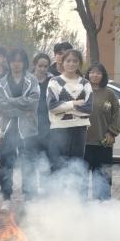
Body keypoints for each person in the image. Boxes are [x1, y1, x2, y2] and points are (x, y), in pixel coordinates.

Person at [0, 48, 41, 202]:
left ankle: (28, 197)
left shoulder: (32, 80)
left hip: (27, 129)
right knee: (6, 163)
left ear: (25, 63)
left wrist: (12, 102)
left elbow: (33, 102)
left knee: (28, 163)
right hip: (6, 129)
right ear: (9, 62)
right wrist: (21, 107)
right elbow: (0, 104)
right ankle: (6, 197)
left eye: (20, 61)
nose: (16, 64)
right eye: (13, 61)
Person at [46, 49, 92, 179]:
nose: (71, 64)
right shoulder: (54, 82)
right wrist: (74, 104)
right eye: (68, 61)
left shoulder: (85, 83)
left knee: (77, 165)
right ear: (62, 62)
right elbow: (52, 106)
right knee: (58, 165)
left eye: (75, 61)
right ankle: (58, 197)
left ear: (79, 64)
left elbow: (88, 108)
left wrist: (63, 107)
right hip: (59, 128)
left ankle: (76, 198)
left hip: (80, 128)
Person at [84, 63, 120, 201]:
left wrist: (112, 132)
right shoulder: (82, 91)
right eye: (92, 72)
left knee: (103, 177)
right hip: (83, 142)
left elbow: (116, 115)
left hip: (103, 142)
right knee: (80, 177)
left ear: (103, 76)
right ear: (87, 74)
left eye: (98, 73)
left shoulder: (109, 94)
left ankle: (103, 206)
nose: (95, 75)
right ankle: (79, 207)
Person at [31, 52, 55, 190]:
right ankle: (32, 191)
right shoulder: (28, 80)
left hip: (48, 126)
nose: (42, 69)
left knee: (46, 161)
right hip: (30, 126)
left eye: (45, 66)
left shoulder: (53, 81)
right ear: (35, 65)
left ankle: (46, 191)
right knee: (31, 161)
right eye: (40, 66)